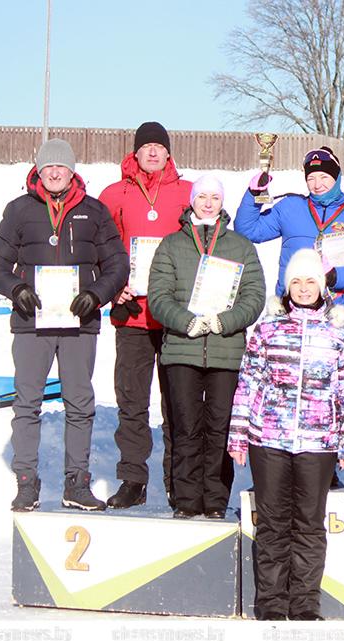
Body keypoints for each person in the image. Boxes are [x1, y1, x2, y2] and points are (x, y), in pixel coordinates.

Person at [0, 138, 129, 512]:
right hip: (32, 322)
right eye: (48, 166)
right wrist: (16, 289)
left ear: (72, 170)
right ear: (39, 169)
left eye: (61, 166)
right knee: (27, 403)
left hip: (79, 324)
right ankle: (26, 482)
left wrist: (96, 295)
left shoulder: (94, 212)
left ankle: (76, 484)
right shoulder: (19, 210)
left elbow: (117, 264)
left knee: (79, 404)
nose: (54, 172)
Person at [228, 248, 344, 621]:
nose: (303, 289)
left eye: (310, 282)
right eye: (297, 282)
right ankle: (271, 602)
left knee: (308, 523)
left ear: (321, 286)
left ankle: (304, 603)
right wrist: (238, 434)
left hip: (318, 442)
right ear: (287, 287)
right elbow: (248, 383)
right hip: (268, 439)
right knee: (272, 523)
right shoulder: (268, 329)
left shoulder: (338, 333)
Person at [147, 175, 265, 519]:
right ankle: (186, 499)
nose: (209, 203)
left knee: (220, 426)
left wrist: (223, 322)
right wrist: (186, 322)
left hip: (225, 351)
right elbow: (159, 296)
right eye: (202, 197)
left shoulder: (241, 246)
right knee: (185, 426)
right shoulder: (171, 245)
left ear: (222, 202)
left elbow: (254, 296)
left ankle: (215, 499)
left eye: (215, 197)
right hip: (181, 349)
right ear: (192, 201)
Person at [99, 121, 192, 510]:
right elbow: (98, 247)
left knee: (178, 404)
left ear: (169, 153)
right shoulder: (114, 194)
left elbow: (204, 247)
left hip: (174, 317)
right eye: (146, 146)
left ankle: (178, 481)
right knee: (132, 402)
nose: (152, 152)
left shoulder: (188, 193)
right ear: (135, 153)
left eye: (159, 146)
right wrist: (110, 286)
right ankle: (133, 480)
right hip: (132, 314)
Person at [235, 146, 344, 318]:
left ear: (337, 177)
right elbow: (247, 230)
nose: (317, 185)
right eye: (311, 178)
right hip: (289, 311)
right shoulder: (290, 208)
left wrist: (334, 276)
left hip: (336, 315)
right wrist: (253, 195)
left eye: (324, 177)